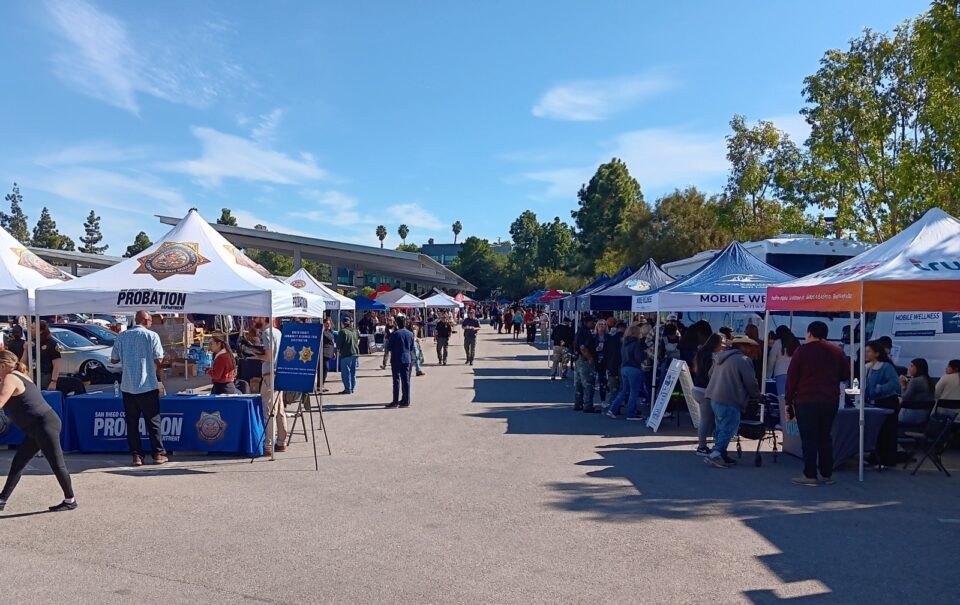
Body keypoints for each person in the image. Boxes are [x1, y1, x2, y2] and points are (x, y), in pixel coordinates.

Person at [0, 351, 76, 512]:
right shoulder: (18, 374)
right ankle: (2, 500)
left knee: (57, 464)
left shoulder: (11, 378)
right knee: (18, 463)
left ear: (2, 366)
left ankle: (70, 500)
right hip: (36, 427)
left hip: (44, 425)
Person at [784, 321, 849, 486]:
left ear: (810, 333)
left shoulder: (802, 351)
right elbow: (845, 375)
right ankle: (827, 474)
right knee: (825, 437)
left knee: (809, 438)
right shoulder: (837, 351)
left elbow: (792, 378)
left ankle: (810, 475)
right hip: (830, 400)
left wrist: (788, 401)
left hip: (806, 399)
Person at [110, 311, 168, 466]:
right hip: (147, 385)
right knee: (153, 422)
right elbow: (159, 358)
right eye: (150, 320)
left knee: (132, 423)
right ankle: (158, 454)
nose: (151, 324)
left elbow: (114, 360)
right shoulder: (152, 336)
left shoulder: (122, 336)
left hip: (128, 386)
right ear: (145, 320)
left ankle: (137, 456)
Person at [703, 336, 761, 469]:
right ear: (743, 346)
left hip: (714, 396)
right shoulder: (743, 360)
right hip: (730, 398)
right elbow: (750, 382)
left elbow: (710, 374)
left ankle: (721, 454)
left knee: (720, 427)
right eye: (749, 347)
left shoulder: (720, 357)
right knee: (729, 428)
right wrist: (757, 395)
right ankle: (716, 454)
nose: (751, 350)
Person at [864, 339, 902, 468]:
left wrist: (878, 389)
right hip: (876, 402)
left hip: (888, 402)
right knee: (878, 431)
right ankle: (876, 458)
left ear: (877, 353)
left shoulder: (886, 367)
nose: (866, 353)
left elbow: (895, 384)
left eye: (869, 351)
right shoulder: (868, 368)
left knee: (887, 432)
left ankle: (887, 460)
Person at [256, 317, 286, 455]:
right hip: (279, 372)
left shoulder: (266, 333)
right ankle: (281, 441)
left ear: (263, 318)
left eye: (256, 317)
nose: (253, 319)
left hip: (270, 373)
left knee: (268, 409)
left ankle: (268, 444)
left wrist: (254, 354)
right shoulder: (278, 332)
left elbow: (268, 357)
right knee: (279, 408)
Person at [605, 325, 646, 420]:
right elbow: (638, 358)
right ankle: (631, 413)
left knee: (624, 390)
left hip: (624, 368)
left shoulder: (624, 343)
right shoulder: (636, 344)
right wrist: (645, 354)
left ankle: (612, 409)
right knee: (633, 392)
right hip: (634, 368)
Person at [694, 334, 724, 456]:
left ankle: (702, 445)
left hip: (697, 388)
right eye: (721, 344)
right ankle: (701, 447)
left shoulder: (701, 353)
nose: (722, 346)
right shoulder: (711, 357)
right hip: (705, 390)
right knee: (707, 419)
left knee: (706, 419)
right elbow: (711, 375)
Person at [385, 316, 415, 408]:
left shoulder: (395, 334)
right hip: (407, 358)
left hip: (396, 358)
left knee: (396, 380)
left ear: (396, 323)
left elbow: (389, 347)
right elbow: (411, 347)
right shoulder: (410, 333)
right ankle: (406, 400)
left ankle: (395, 402)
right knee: (406, 380)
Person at [574, 316, 599, 413]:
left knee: (579, 383)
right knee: (588, 383)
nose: (594, 324)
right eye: (593, 322)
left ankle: (578, 403)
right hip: (585, 360)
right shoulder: (586, 333)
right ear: (587, 322)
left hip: (579, 360)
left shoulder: (579, 331)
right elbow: (583, 347)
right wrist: (590, 358)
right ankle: (588, 405)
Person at [768, 325, 800, 397]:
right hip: (794, 373)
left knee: (782, 397)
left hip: (780, 373)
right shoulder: (796, 342)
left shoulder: (778, 343)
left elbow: (771, 360)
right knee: (793, 397)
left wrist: (768, 375)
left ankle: (783, 408)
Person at [32, 321, 62, 391]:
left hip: (45, 375)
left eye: (33, 328)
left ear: (41, 331)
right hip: (34, 374)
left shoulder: (51, 343)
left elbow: (57, 364)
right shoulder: (33, 343)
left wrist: (53, 381)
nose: (30, 330)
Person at [603, 321, 625, 408]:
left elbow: (606, 352)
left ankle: (613, 405)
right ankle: (618, 404)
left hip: (612, 365)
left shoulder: (611, 339)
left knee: (613, 388)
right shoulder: (626, 339)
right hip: (622, 365)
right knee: (623, 387)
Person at [336, 317, 360, 394]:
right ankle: (352, 388)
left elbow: (339, 344)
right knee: (353, 372)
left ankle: (347, 389)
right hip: (355, 353)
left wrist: (338, 349)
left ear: (343, 323)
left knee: (346, 373)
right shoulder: (355, 331)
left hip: (346, 354)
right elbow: (358, 339)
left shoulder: (342, 332)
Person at [594, 320, 609, 403]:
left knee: (605, 381)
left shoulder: (608, 337)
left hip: (606, 361)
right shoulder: (594, 337)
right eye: (600, 324)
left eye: (603, 324)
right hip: (596, 361)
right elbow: (590, 348)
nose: (601, 326)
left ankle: (605, 400)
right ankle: (599, 400)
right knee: (597, 380)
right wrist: (595, 349)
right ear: (597, 326)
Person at [321, 317, 337, 389]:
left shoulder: (331, 332)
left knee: (325, 369)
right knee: (325, 368)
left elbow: (332, 343)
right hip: (323, 353)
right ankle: (320, 385)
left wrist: (333, 352)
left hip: (329, 353)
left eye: (329, 323)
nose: (328, 325)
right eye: (327, 323)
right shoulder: (322, 332)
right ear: (324, 324)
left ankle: (321, 385)